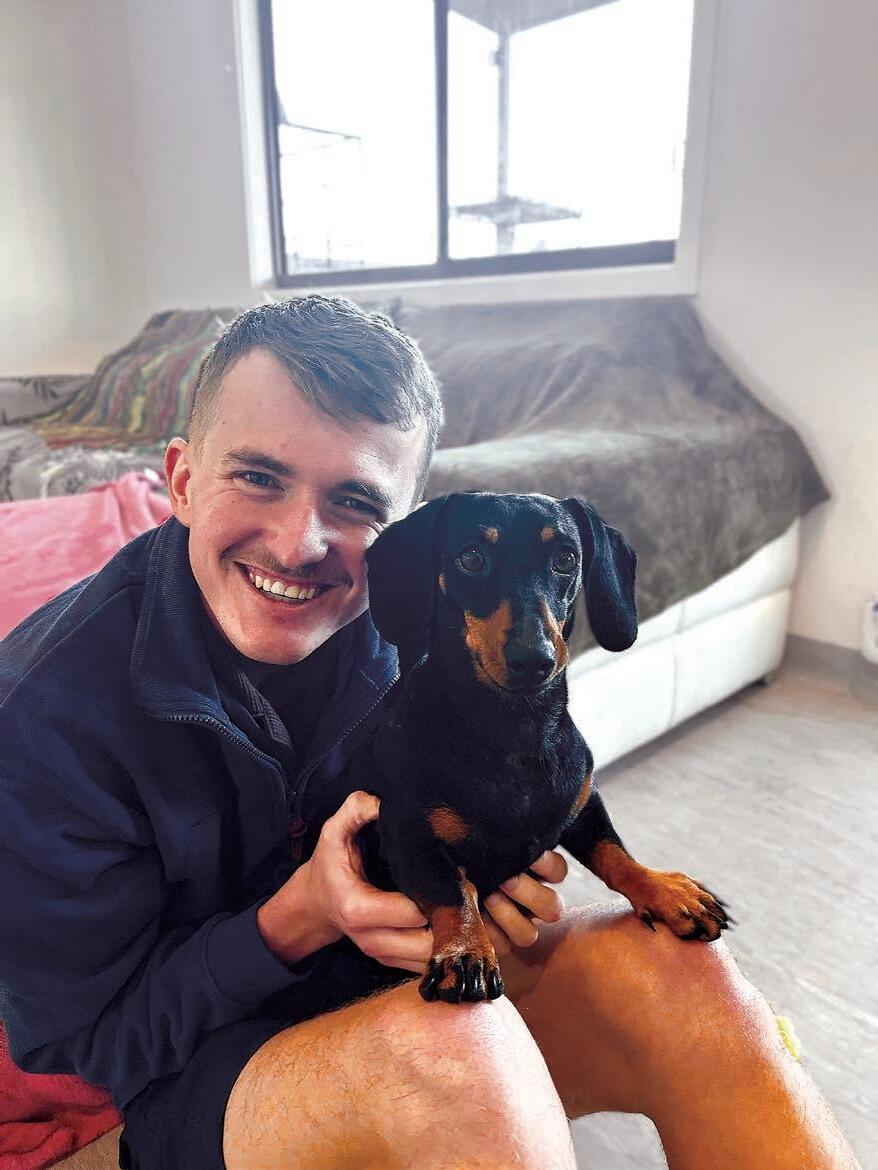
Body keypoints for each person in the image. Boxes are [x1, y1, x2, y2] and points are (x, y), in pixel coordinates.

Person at [0, 296, 861, 1170]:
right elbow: (85, 1049)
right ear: (182, 480)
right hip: (193, 1071)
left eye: (355, 501)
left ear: (405, 532)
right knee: (455, 1058)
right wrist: (297, 920)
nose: (299, 545)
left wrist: (480, 873)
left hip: (399, 966)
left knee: (689, 978)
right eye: (257, 477)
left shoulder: (410, 618)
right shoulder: (44, 716)